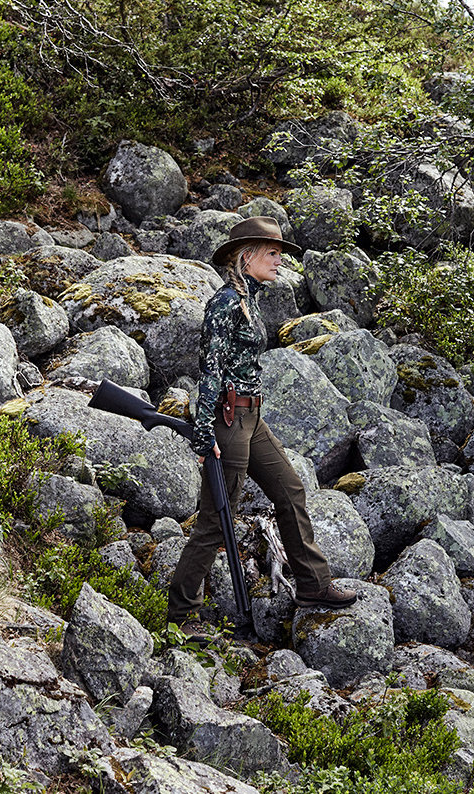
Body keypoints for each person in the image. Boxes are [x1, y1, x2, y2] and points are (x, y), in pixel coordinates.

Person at [167, 216, 357, 641]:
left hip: (252, 417)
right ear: (246, 256)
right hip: (229, 419)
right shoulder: (224, 304)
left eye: (279, 253)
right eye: (272, 253)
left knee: (289, 489)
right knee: (218, 520)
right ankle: (181, 614)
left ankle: (312, 586)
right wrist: (204, 433)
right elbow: (209, 370)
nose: (279, 260)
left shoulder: (251, 300)